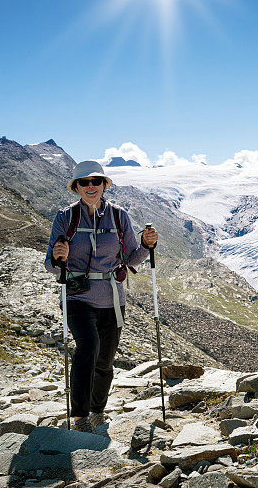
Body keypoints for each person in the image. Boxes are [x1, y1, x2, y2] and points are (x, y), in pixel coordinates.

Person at [45, 160, 158, 433]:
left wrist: (145, 244)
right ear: (76, 187)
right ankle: (80, 416)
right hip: (76, 297)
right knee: (88, 348)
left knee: (105, 361)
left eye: (96, 181)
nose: (91, 186)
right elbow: (50, 263)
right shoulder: (65, 217)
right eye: (84, 182)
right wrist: (59, 258)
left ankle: (98, 411)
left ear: (104, 185)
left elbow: (132, 257)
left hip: (113, 298)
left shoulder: (119, 216)